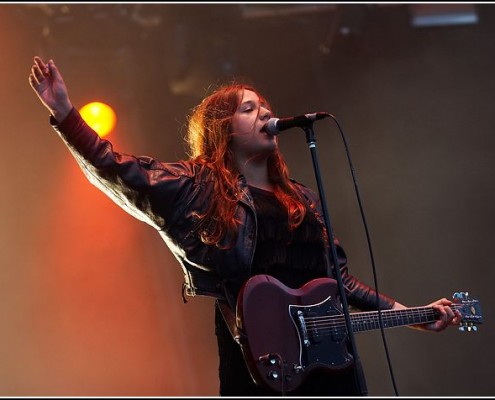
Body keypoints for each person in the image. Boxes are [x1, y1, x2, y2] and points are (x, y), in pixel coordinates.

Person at [28, 56, 461, 396]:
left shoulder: (301, 197)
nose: (265, 113)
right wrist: (66, 114)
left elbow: (339, 279)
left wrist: (408, 314)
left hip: (330, 365)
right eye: (250, 109)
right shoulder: (194, 186)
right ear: (223, 129)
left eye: (266, 108)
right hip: (259, 359)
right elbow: (115, 169)